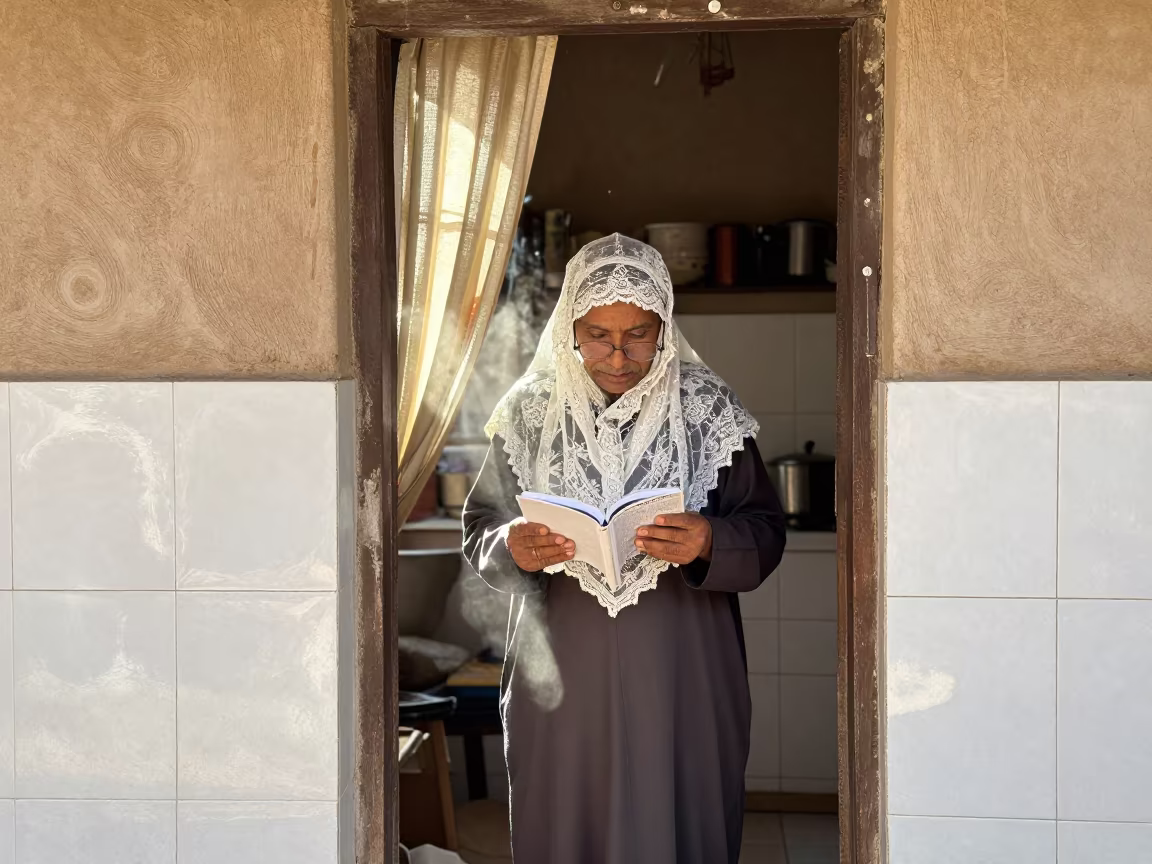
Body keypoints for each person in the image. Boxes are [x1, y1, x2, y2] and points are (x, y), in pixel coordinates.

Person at [462, 234, 787, 864]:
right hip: (562, 679)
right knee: (565, 821)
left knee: (679, 815)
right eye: (599, 335)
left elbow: (766, 530)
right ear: (570, 330)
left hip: (684, 671)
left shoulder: (708, 411)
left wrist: (710, 539)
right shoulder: (527, 416)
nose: (618, 355)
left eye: (638, 334)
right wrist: (514, 547)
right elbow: (480, 527)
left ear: (664, 326)